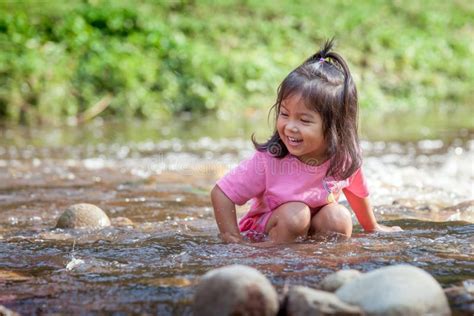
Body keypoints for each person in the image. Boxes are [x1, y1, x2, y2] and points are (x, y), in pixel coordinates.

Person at [211, 40, 402, 244]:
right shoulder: (270, 160)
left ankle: (317, 265)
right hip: (266, 235)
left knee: (338, 218)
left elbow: (356, 191)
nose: (290, 126)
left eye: (304, 120)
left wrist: (372, 227)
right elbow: (222, 193)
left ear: (335, 127)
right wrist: (232, 240)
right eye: (284, 114)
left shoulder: (343, 158)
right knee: (296, 215)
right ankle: (275, 263)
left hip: (311, 228)